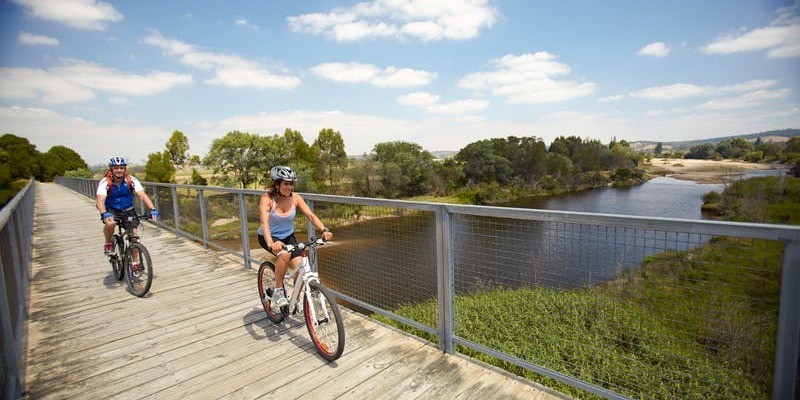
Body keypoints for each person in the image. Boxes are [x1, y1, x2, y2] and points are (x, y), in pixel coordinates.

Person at [258, 165, 333, 306]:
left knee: (301, 267)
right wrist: (270, 243)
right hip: (268, 236)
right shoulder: (267, 199)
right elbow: (264, 222)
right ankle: (278, 290)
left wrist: (324, 230)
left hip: (287, 236)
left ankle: (295, 299)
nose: (289, 187)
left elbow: (310, 215)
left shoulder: (295, 198)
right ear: (277, 184)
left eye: (291, 184)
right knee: (284, 255)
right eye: (285, 183)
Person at [96, 156, 159, 267]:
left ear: (125, 169)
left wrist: (152, 209)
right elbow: (100, 200)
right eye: (116, 168)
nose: (119, 170)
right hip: (112, 210)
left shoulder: (131, 180)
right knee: (110, 223)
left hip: (128, 210)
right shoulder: (105, 182)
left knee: (133, 236)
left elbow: (142, 195)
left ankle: (135, 262)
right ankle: (108, 243)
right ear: (111, 169)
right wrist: (104, 212)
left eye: (121, 168)